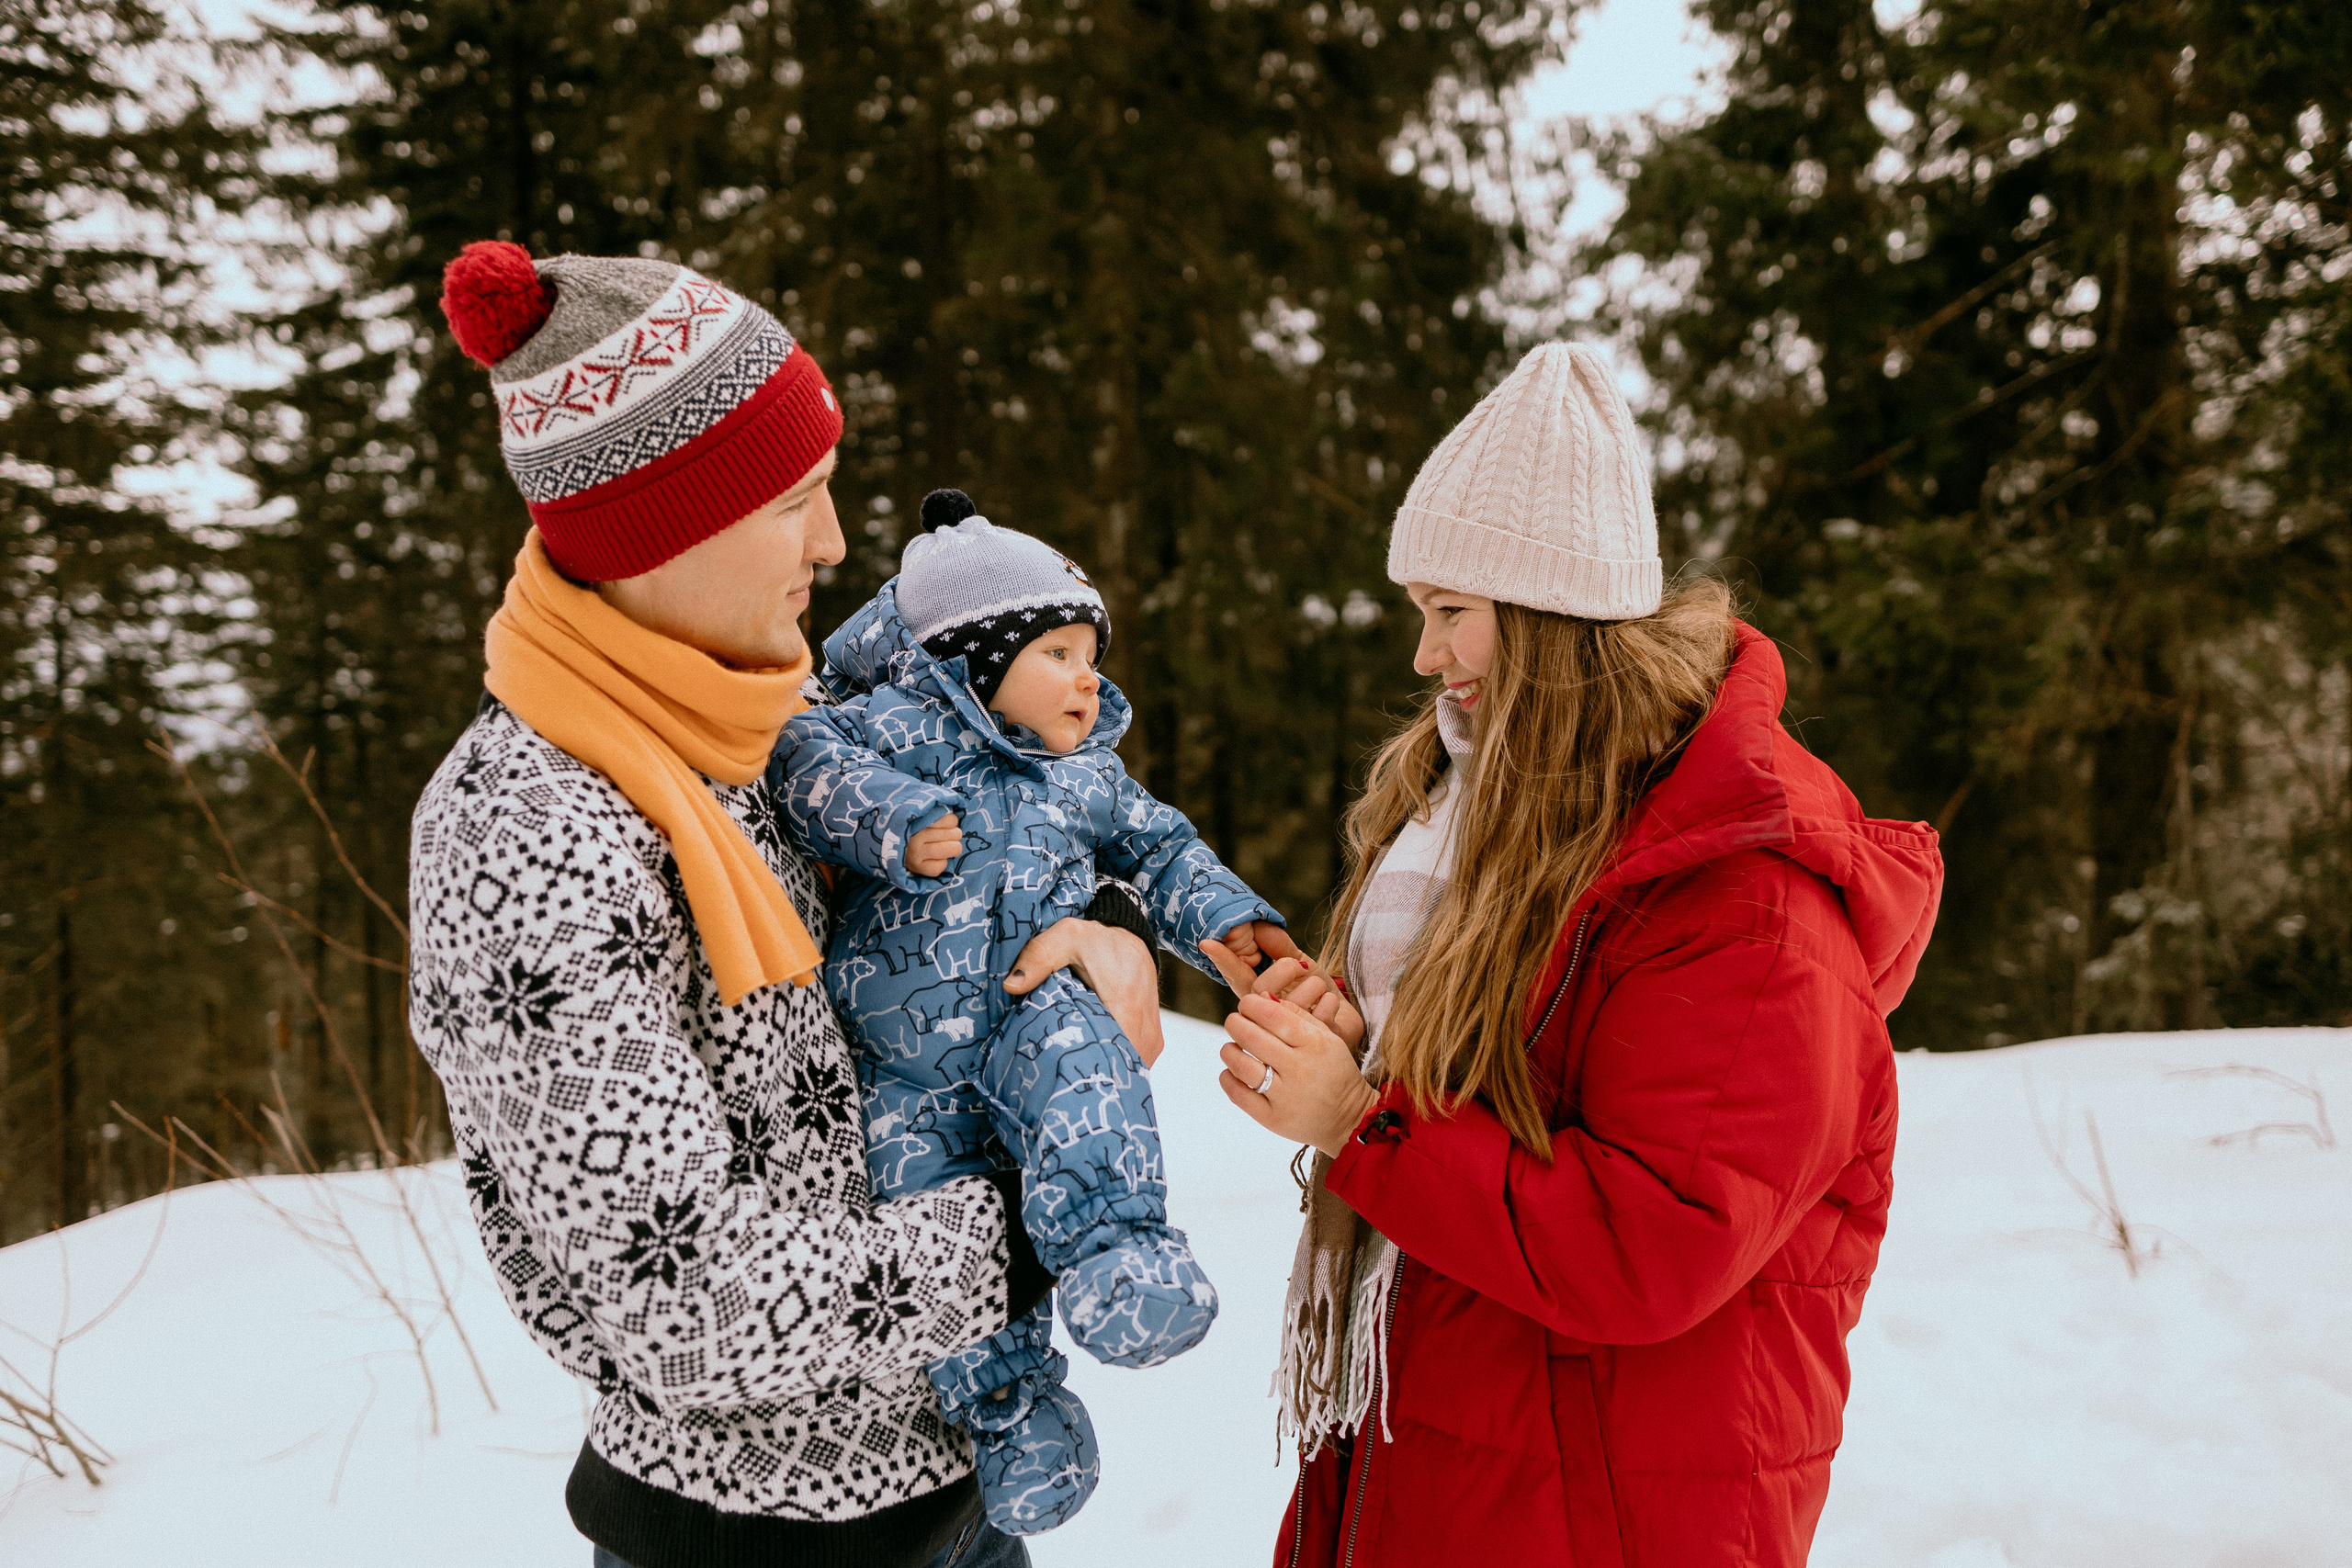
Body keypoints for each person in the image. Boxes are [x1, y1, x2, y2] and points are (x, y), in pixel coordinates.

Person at [407, 242, 1163, 1568]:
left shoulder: (767, 717)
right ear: (663, 525)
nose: (833, 539)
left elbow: (976, 863)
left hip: (951, 1488)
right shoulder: (522, 829)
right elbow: (687, 1298)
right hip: (747, 1543)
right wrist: (1047, 1218)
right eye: (793, 502)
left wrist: (1087, 936)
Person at [1201, 343, 1945, 1566]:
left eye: (1452, 614)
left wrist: (1363, 1121)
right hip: (1451, 1449)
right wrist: (1359, 1040)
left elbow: (1649, 1244)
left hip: (1604, 1502)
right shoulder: (1506, 819)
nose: (1425, 657)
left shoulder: (1745, 902)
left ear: (1546, 622)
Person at [771, 487, 1284, 1536]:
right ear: (970, 659)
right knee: (927, 1226)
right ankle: (1011, 1410)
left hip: (1024, 1019)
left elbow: (1162, 847)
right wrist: (896, 820)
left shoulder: (1087, 776)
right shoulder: (883, 731)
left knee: (1086, 1073)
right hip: (898, 1070)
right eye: (1057, 652)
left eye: (1091, 655)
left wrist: (1226, 921)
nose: (1087, 678)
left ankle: (1118, 1251)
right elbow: (803, 763)